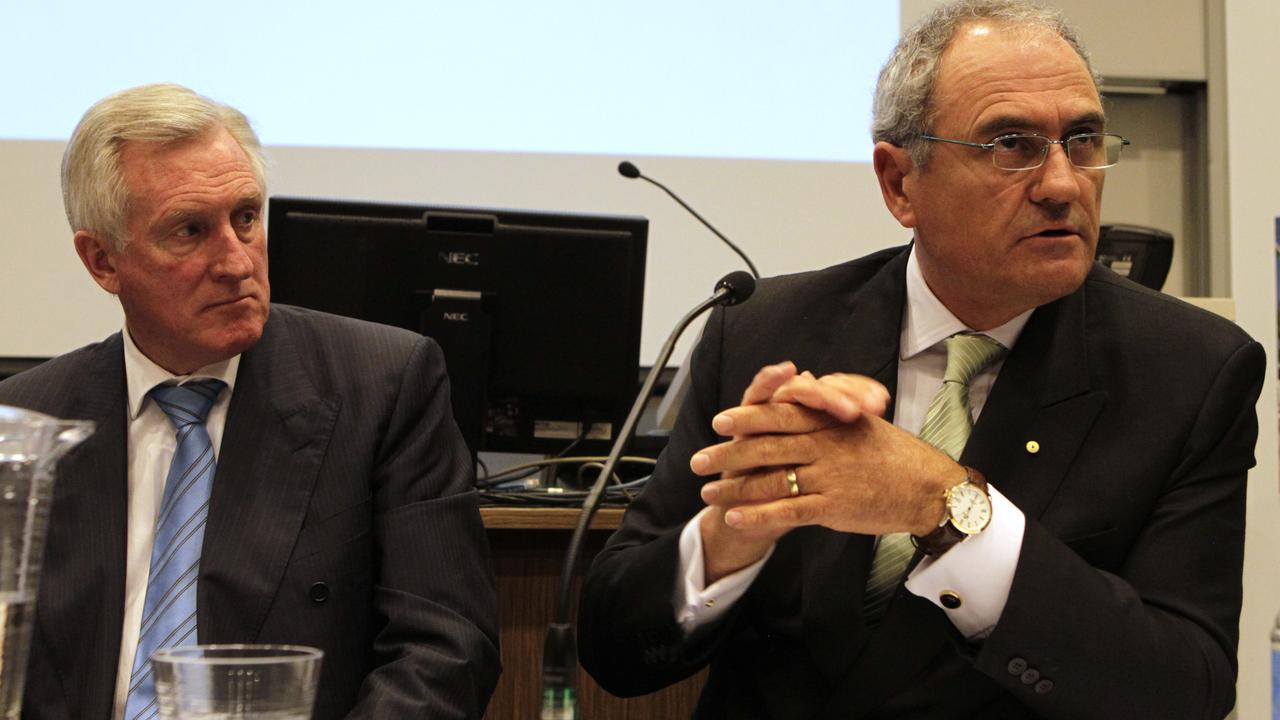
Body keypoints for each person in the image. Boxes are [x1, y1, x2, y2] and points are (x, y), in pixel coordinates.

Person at [578, 2, 1265, 718]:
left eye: (1083, 139)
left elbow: (1186, 690)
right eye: (1012, 144)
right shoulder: (762, 332)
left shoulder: (1189, 371)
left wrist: (948, 509)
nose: (1064, 184)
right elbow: (612, 650)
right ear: (900, 183)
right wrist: (729, 538)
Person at [0, 84, 500, 720]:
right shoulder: (26, 425)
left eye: (245, 216)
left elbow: (445, 651)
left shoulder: (382, 386)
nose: (237, 261)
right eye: (190, 230)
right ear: (102, 260)